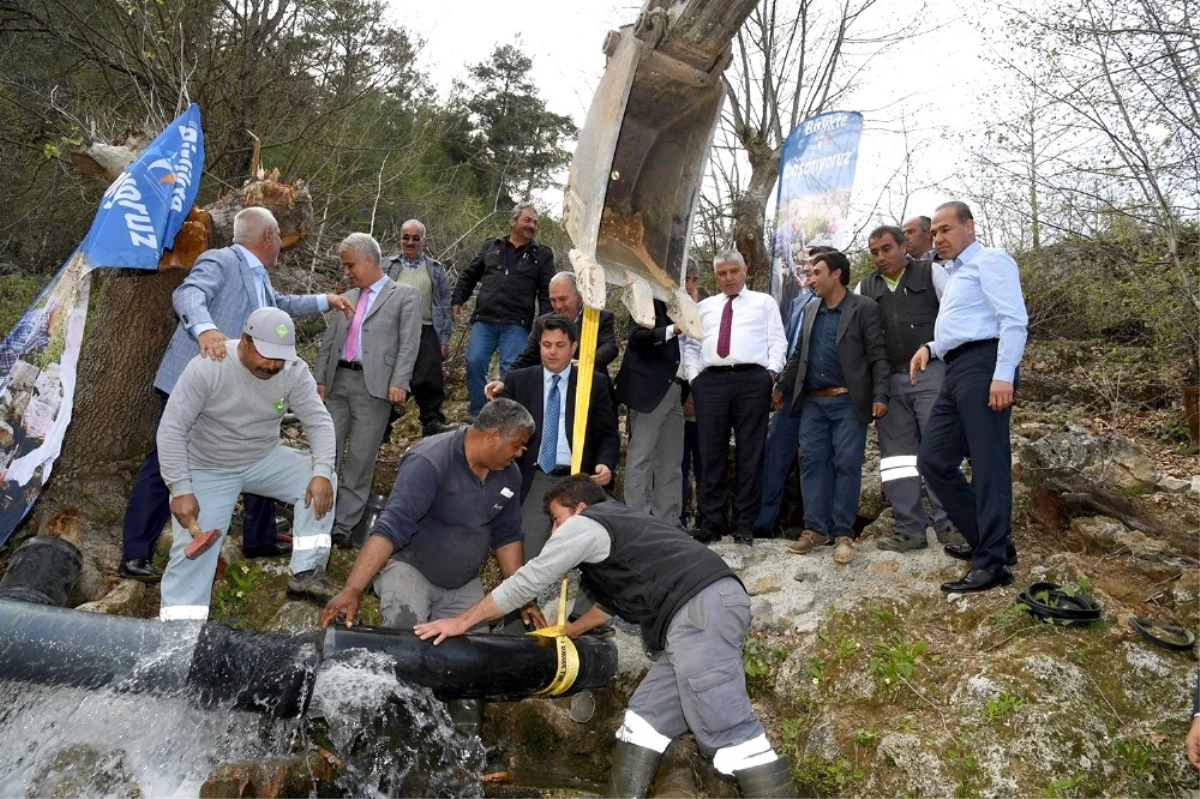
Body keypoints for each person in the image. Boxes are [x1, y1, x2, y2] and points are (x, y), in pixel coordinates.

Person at [410, 476, 795, 799]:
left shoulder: (587, 525)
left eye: (557, 519)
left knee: (730, 734)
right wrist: (570, 631)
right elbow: (610, 606)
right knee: (645, 721)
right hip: (702, 613)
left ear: (579, 509)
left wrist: (462, 622)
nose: (556, 530)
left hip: (698, 612)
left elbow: (529, 579)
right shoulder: (625, 531)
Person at [119, 207, 353, 581]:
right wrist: (205, 329)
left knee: (258, 445)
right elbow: (190, 293)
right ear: (267, 237)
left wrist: (326, 300)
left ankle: (258, 538)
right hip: (195, 381)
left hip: (244, 389)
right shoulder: (221, 260)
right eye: (279, 236)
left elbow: (282, 305)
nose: (281, 244)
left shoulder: (258, 277)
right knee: (163, 461)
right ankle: (135, 554)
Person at [319, 398, 545, 734]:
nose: (521, 452)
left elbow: (507, 535)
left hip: (464, 582)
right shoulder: (430, 460)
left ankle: (464, 745)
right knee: (404, 646)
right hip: (413, 570)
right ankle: (394, 731)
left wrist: (522, 595)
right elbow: (391, 526)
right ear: (493, 435)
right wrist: (352, 588)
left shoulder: (508, 474)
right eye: (518, 444)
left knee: (472, 663)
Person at [157, 308, 338, 620]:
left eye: (279, 358)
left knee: (321, 476)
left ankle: (306, 573)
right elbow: (171, 428)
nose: (271, 365)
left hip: (263, 458)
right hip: (208, 466)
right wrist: (180, 488)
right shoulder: (207, 368)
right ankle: (179, 631)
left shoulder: (292, 370)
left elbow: (319, 422)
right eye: (266, 355)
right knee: (194, 554)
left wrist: (321, 472)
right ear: (244, 341)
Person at [911, 201, 1028, 593]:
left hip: (985, 367)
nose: (937, 238)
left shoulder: (990, 261)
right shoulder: (955, 273)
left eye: (945, 229)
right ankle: (989, 542)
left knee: (988, 464)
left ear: (970, 227)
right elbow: (963, 325)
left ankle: (992, 564)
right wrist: (930, 345)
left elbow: (1012, 320)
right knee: (933, 459)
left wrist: (1003, 374)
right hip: (956, 369)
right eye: (934, 233)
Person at [493, 315, 619, 630]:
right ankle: (514, 627)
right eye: (546, 345)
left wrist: (606, 464)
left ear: (574, 346)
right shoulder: (519, 380)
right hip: (534, 477)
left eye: (560, 346)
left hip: (579, 479)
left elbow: (607, 434)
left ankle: (584, 621)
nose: (552, 352)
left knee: (604, 541)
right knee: (524, 555)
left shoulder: (595, 382)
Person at [775, 250, 890, 565]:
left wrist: (881, 394)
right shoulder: (811, 310)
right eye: (810, 273)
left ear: (837, 273)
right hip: (813, 401)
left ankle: (843, 533)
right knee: (811, 463)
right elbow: (799, 355)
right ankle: (815, 529)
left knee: (846, 464)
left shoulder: (864, 308)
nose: (810, 279)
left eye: (816, 272)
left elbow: (878, 356)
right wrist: (782, 386)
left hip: (848, 402)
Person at [855, 225, 963, 552]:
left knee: (938, 448)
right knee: (897, 458)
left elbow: (954, 319)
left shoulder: (934, 273)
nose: (881, 257)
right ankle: (909, 530)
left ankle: (952, 524)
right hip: (887, 381)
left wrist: (934, 348)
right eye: (874, 252)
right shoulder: (865, 287)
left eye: (887, 249)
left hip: (931, 372)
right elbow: (860, 339)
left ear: (904, 246)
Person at [315, 233, 422, 548]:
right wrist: (320, 377)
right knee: (326, 452)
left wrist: (399, 381)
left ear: (368, 260)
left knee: (360, 460)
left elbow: (409, 343)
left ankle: (343, 528)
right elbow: (329, 341)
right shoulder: (345, 295)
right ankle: (319, 517)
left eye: (350, 265)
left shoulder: (404, 295)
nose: (347, 271)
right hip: (337, 382)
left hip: (374, 388)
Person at [681, 251, 786, 545]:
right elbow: (690, 345)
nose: (728, 278)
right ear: (715, 277)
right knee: (709, 454)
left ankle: (744, 523)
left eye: (733, 271)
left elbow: (778, 340)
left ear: (745, 270)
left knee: (750, 454)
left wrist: (770, 374)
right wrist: (695, 378)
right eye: (722, 273)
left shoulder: (764, 303)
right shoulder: (704, 307)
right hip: (710, 382)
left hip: (752, 380)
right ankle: (710, 521)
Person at [452, 203, 555, 417]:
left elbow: (546, 292)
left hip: (516, 323)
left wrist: (546, 322)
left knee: (512, 370)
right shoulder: (491, 247)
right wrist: (458, 300)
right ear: (513, 221)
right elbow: (470, 274)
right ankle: (479, 414)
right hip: (485, 319)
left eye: (535, 222)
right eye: (527, 220)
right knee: (475, 361)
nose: (532, 226)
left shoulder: (542, 255)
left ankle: (507, 416)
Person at [752, 248, 822, 537]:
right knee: (775, 457)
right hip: (790, 389)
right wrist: (780, 383)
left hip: (821, 393)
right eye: (806, 267)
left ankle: (816, 525)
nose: (807, 272)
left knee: (815, 459)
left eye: (814, 268)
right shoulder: (797, 303)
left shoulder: (843, 306)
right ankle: (764, 523)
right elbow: (789, 345)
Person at [384, 219, 455, 437]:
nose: (410, 242)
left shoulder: (435, 269)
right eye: (406, 237)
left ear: (424, 240)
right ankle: (382, 425)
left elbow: (444, 304)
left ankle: (431, 421)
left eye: (416, 238)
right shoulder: (387, 265)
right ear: (400, 238)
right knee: (388, 374)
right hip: (393, 329)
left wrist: (443, 339)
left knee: (429, 376)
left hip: (427, 328)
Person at [616, 298, 682, 523]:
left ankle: (669, 522)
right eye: (687, 279)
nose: (690, 284)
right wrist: (674, 329)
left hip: (677, 388)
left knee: (672, 462)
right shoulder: (646, 297)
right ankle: (638, 522)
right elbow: (636, 337)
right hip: (649, 389)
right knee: (640, 458)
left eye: (693, 280)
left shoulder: (689, 304)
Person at [505, 271, 619, 377]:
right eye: (553, 300)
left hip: (590, 383)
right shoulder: (542, 322)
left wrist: (586, 363)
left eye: (563, 299)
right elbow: (526, 358)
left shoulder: (599, 318)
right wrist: (504, 381)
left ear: (580, 296)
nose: (558, 306)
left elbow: (609, 347)